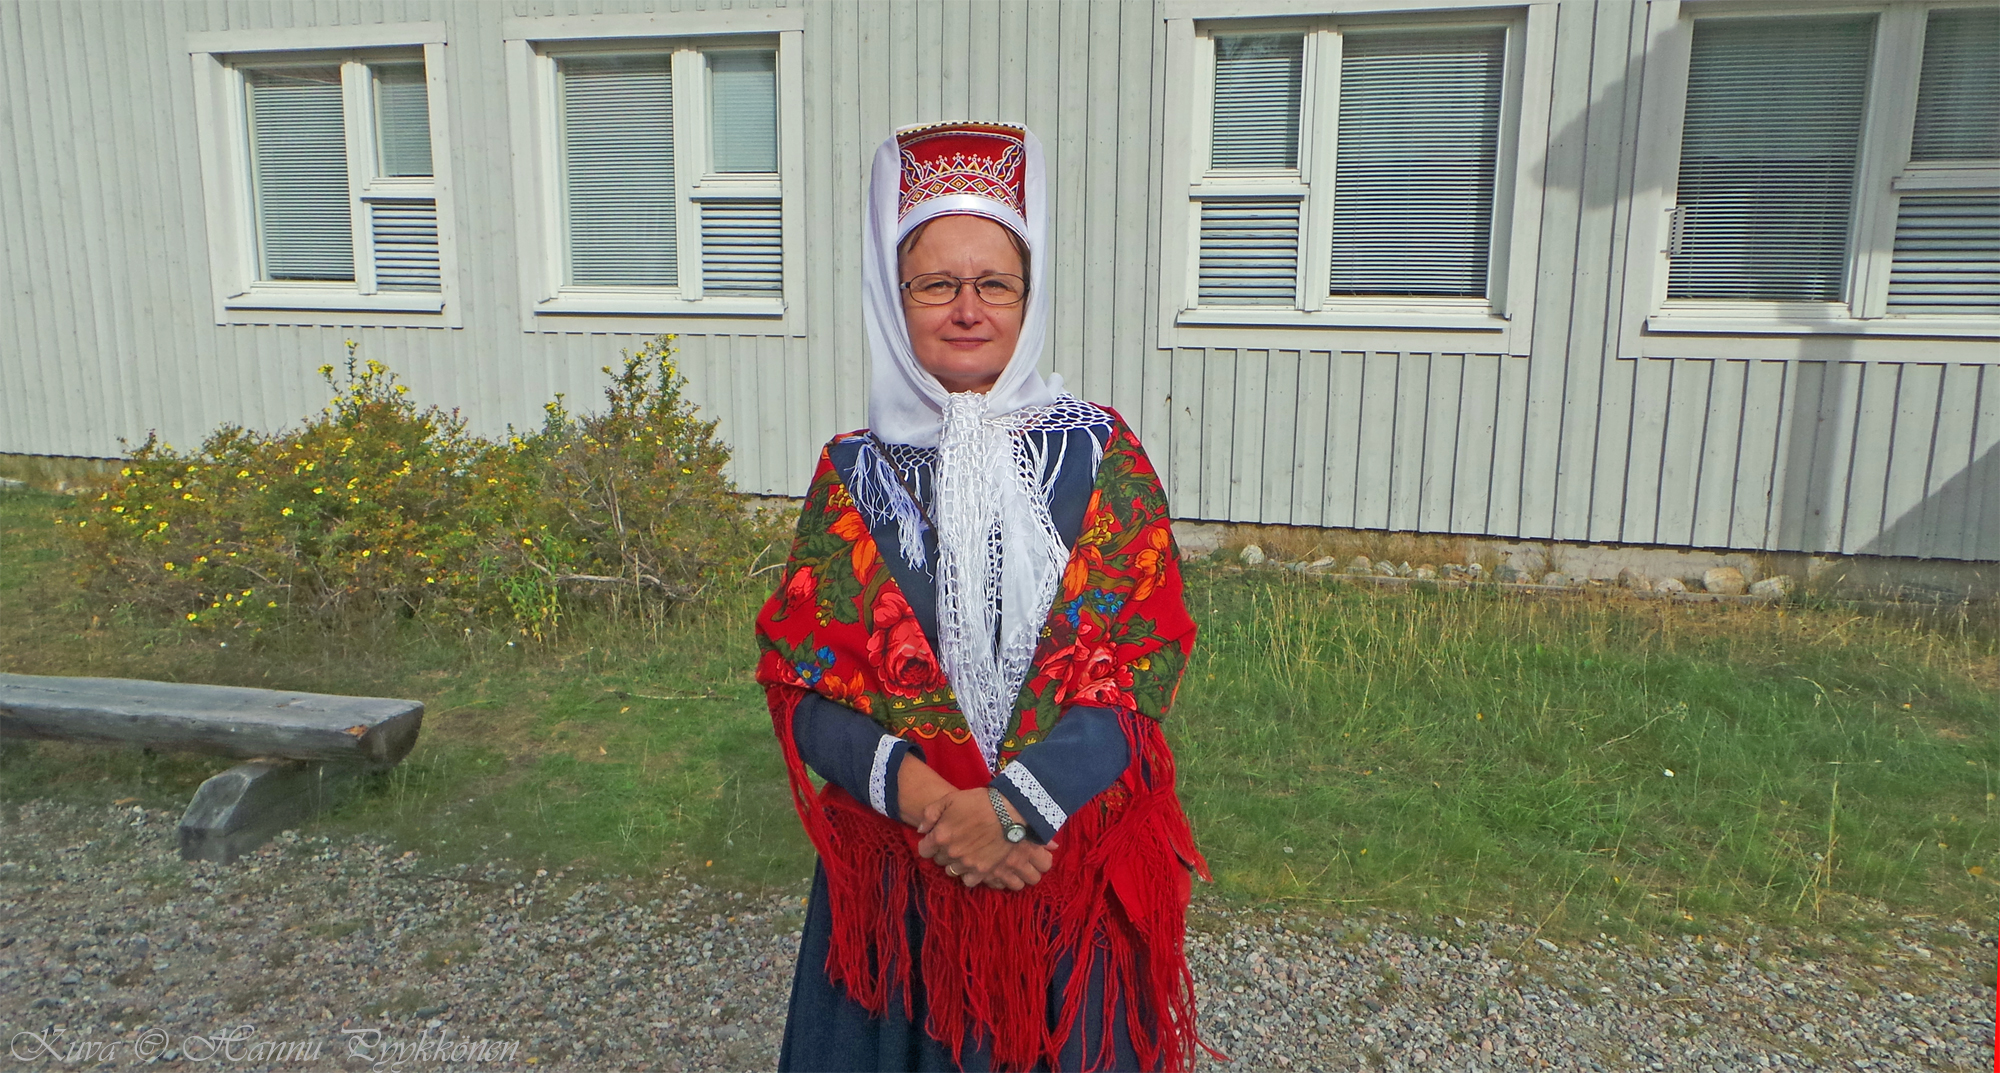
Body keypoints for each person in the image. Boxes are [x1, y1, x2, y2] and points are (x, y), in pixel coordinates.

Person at [754, 121, 1210, 1073]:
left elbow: (1135, 667)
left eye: (995, 283)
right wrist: (939, 807)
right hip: (905, 891)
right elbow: (806, 688)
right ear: (893, 297)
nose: (968, 309)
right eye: (935, 284)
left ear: (1029, 297)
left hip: (1062, 876)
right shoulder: (854, 476)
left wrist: (1012, 809)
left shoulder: (1099, 454)